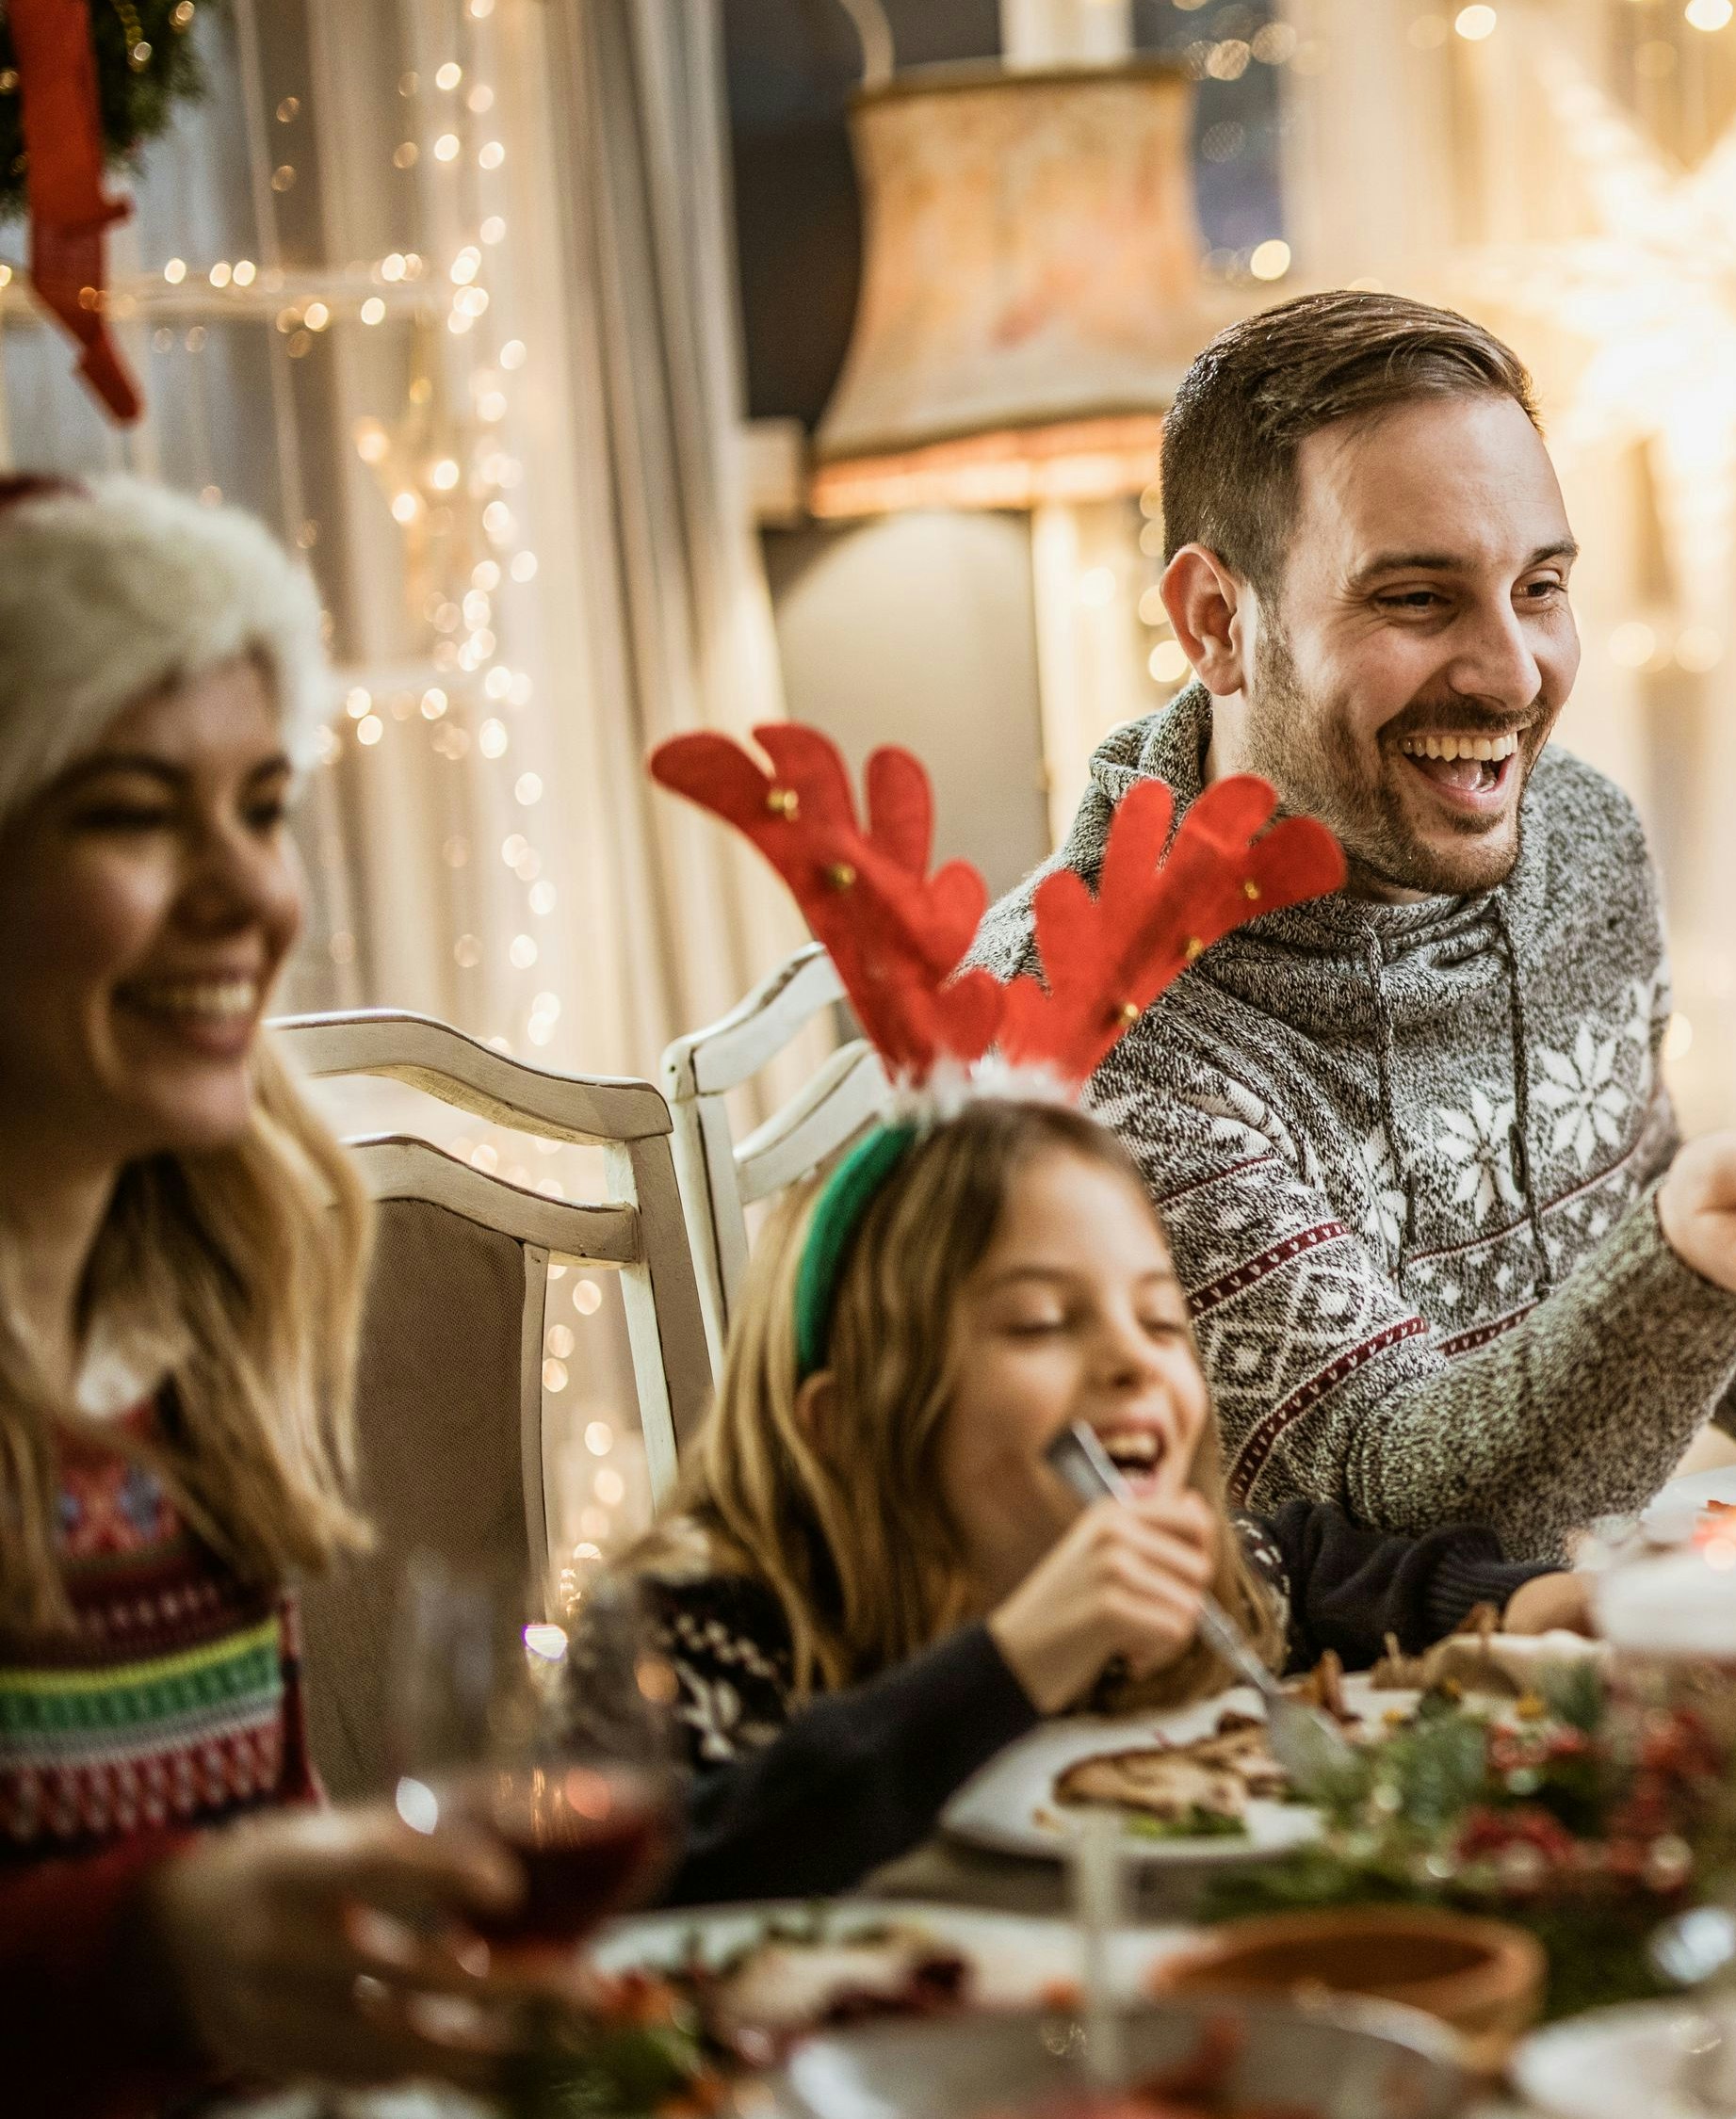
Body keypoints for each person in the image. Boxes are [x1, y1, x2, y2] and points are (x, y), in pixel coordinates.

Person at [973, 291, 1736, 1557]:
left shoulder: (1580, 838)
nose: (1512, 674)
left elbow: (1616, 1196)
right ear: (1217, 623)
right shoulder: (1087, 1016)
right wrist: (1690, 1268)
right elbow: (1389, 1517)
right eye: (1416, 599)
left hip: (1589, 1619)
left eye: (1540, 587)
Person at [0, 477, 531, 2111]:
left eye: (262, 804)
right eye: (135, 813)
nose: (254, 895)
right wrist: (156, 1947)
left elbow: (263, 1894)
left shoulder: (199, 1332)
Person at [570, 1099, 1582, 1904]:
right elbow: (649, 1875)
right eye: (1041, 1321)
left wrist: (1530, 1602)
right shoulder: (688, 1628)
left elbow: (1316, 1570)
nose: (1133, 1362)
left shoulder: (1191, 1593)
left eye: (1159, 1319)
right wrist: (1018, 1659)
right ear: (850, 1424)